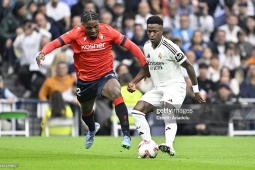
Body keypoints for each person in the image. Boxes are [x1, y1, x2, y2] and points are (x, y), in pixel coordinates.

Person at [36, 10, 149, 149]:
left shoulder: (108, 31)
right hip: (85, 81)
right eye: (89, 28)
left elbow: (131, 46)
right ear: (82, 25)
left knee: (116, 91)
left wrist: (144, 62)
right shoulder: (75, 33)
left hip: (105, 75)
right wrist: (42, 53)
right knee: (86, 112)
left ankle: (126, 135)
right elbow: (55, 43)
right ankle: (91, 129)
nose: (93, 30)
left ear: (99, 23)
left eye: (95, 26)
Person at [127, 16, 205, 156]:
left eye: (155, 31)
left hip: (175, 86)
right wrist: (134, 82)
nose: (151, 34)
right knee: (137, 111)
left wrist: (196, 90)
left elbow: (189, 66)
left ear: (161, 30)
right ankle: (148, 144)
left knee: (166, 107)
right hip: (158, 88)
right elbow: (146, 68)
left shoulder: (171, 47)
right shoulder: (146, 46)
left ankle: (169, 145)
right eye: (149, 31)